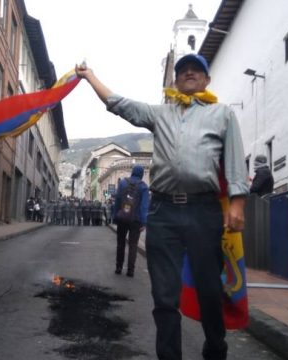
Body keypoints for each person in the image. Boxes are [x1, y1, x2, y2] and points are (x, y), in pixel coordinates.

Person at [76, 54, 248, 360]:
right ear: (175, 81)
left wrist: (237, 203)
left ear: (207, 80)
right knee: (165, 297)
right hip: (163, 212)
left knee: (210, 290)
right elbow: (120, 104)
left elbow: (234, 162)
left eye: (197, 70)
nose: (190, 73)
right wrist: (90, 77)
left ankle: (215, 349)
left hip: (203, 212)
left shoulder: (222, 115)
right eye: (183, 70)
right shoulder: (161, 114)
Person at [114, 165, 149, 277]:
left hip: (122, 218)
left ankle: (118, 267)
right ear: (142, 174)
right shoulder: (143, 187)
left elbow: (117, 201)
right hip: (136, 220)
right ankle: (130, 270)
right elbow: (144, 206)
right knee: (133, 245)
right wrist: (144, 222)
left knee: (120, 244)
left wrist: (115, 216)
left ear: (132, 172)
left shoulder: (123, 183)